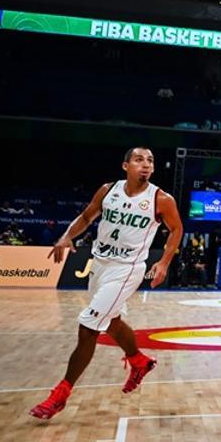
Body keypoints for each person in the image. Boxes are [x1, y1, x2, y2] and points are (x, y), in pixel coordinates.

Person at [29, 147, 183, 420]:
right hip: (100, 264)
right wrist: (66, 236)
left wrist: (165, 262)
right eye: (139, 160)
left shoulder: (161, 199)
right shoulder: (108, 190)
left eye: (150, 161)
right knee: (110, 321)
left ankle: (61, 393)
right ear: (126, 166)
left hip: (127, 269)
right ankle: (138, 361)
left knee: (88, 326)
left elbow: (176, 229)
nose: (145, 165)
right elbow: (87, 216)